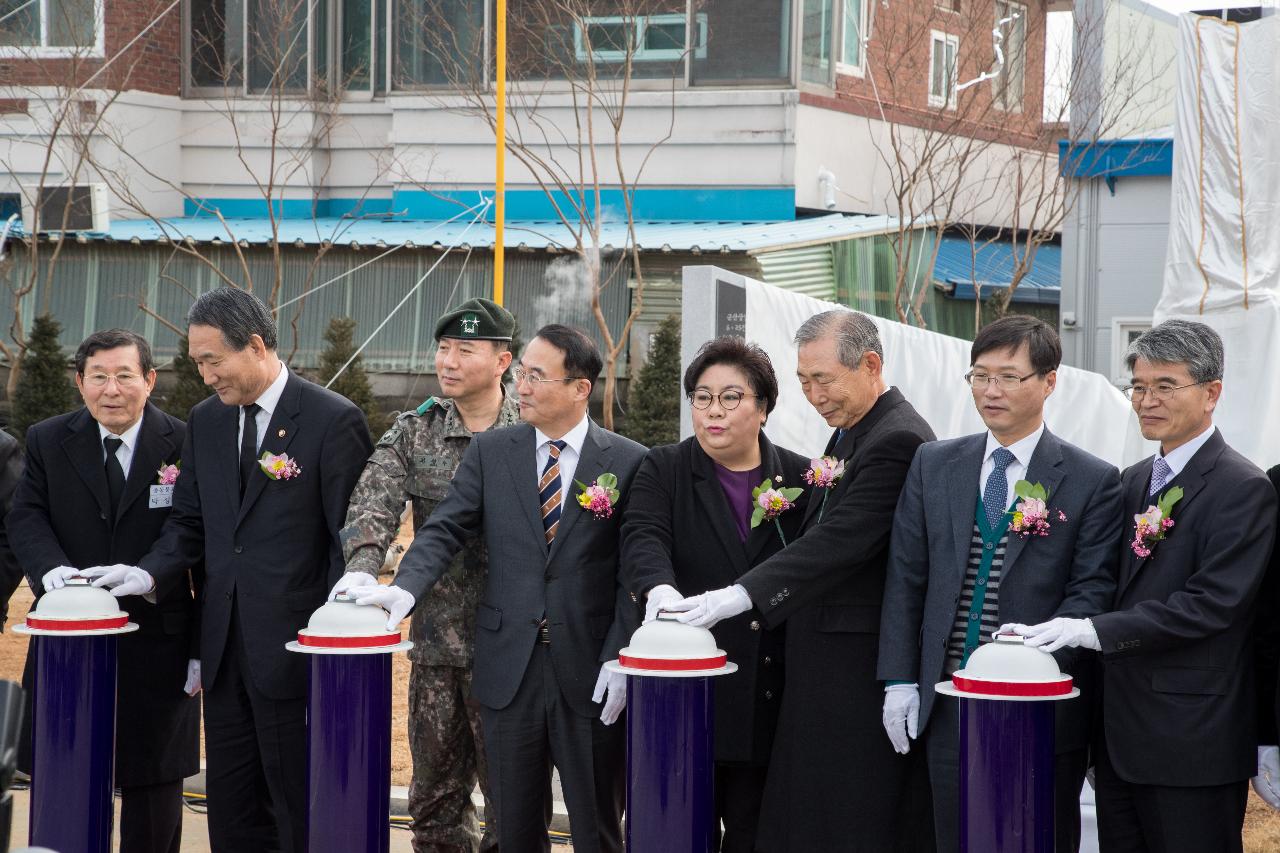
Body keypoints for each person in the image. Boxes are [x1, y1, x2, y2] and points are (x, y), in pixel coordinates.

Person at [343, 324, 646, 853]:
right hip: (508, 672)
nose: (522, 386)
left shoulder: (628, 461)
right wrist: (405, 589)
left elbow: (633, 571)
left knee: (597, 826)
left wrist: (620, 654)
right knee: (512, 829)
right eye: (522, 372)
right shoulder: (493, 451)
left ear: (580, 388)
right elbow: (444, 528)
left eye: (536, 375)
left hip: (590, 673)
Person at [91, 289, 373, 853]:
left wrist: (335, 640)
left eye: (212, 360)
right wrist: (148, 574)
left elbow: (349, 541)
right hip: (222, 651)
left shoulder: (331, 420)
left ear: (257, 346)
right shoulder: (207, 421)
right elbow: (189, 522)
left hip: (296, 650)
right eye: (196, 362)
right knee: (232, 805)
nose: (203, 375)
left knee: (297, 802)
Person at [667, 309, 936, 852]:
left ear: (871, 364)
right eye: (805, 381)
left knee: (844, 815)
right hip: (816, 662)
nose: (814, 395)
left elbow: (838, 544)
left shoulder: (896, 438)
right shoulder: (849, 434)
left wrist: (738, 595)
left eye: (825, 380)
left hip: (852, 669)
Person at [1005, 319, 1276, 853]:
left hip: (1191, 739)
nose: (1146, 400)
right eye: (1138, 386)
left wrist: (1092, 630)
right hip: (1115, 738)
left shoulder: (1243, 489)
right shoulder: (1128, 481)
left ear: (1211, 392)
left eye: (1165, 386)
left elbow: (1210, 604)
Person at [877, 315, 1122, 853]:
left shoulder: (1091, 479)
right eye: (980, 376)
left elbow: (1091, 590)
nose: (991, 391)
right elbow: (907, 576)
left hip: (1036, 708)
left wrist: (1031, 668)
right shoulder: (934, 462)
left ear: (1049, 381)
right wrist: (899, 680)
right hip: (946, 700)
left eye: (1009, 377)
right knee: (953, 837)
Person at [337, 297, 520, 852]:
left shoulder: (532, 428)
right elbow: (372, 505)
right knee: (434, 802)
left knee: (513, 803)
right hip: (437, 648)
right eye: (444, 348)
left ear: (503, 361)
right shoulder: (416, 431)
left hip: (513, 650)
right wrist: (363, 574)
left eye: (466, 350)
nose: (449, 361)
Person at [9, 328, 199, 853]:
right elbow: (27, 514)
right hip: (69, 636)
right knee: (65, 769)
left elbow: (192, 526)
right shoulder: (49, 438)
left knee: (154, 785)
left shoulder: (184, 441)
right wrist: (50, 572)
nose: (111, 389)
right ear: (79, 382)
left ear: (150, 380)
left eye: (124, 375)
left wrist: (149, 573)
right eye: (98, 377)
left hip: (157, 636)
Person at [620, 336, 808, 853]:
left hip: (767, 695)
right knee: (677, 830)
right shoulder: (665, 468)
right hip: (684, 695)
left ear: (763, 408)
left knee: (755, 835)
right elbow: (643, 536)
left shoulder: (800, 477)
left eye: (731, 398)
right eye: (702, 398)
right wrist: (658, 588)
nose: (713, 412)